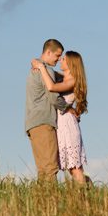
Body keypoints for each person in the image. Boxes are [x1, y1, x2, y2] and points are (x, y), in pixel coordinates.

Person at [31, 50, 89, 184]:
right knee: (71, 168)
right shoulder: (64, 77)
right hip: (61, 125)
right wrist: (36, 63)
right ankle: (88, 187)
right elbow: (50, 73)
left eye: (63, 59)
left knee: (75, 168)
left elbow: (51, 87)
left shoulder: (72, 81)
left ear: (70, 63)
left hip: (68, 125)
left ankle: (84, 193)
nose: (60, 60)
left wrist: (41, 67)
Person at [24, 39, 74, 182]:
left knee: (43, 170)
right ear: (48, 52)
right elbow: (53, 98)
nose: (58, 59)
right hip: (44, 122)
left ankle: (42, 196)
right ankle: (51, 196)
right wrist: (69, 109)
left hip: (32, 123)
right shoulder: (47, 71)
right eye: (57, 56)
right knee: (50, 167)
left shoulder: (39, 70)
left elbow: (58, 77)